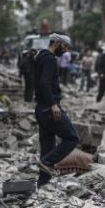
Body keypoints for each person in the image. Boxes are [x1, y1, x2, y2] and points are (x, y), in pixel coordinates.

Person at [33, 33, 80, 188]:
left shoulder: (40, 57)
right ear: (57, 43)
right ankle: (47, 162)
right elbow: (45, 84)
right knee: (72, 137)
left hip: (41, 107)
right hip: (49, 108)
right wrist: (53, 104)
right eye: (65, 46)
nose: (65, 51)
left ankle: (42, 184)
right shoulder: (50, 60)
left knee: (47, 146)